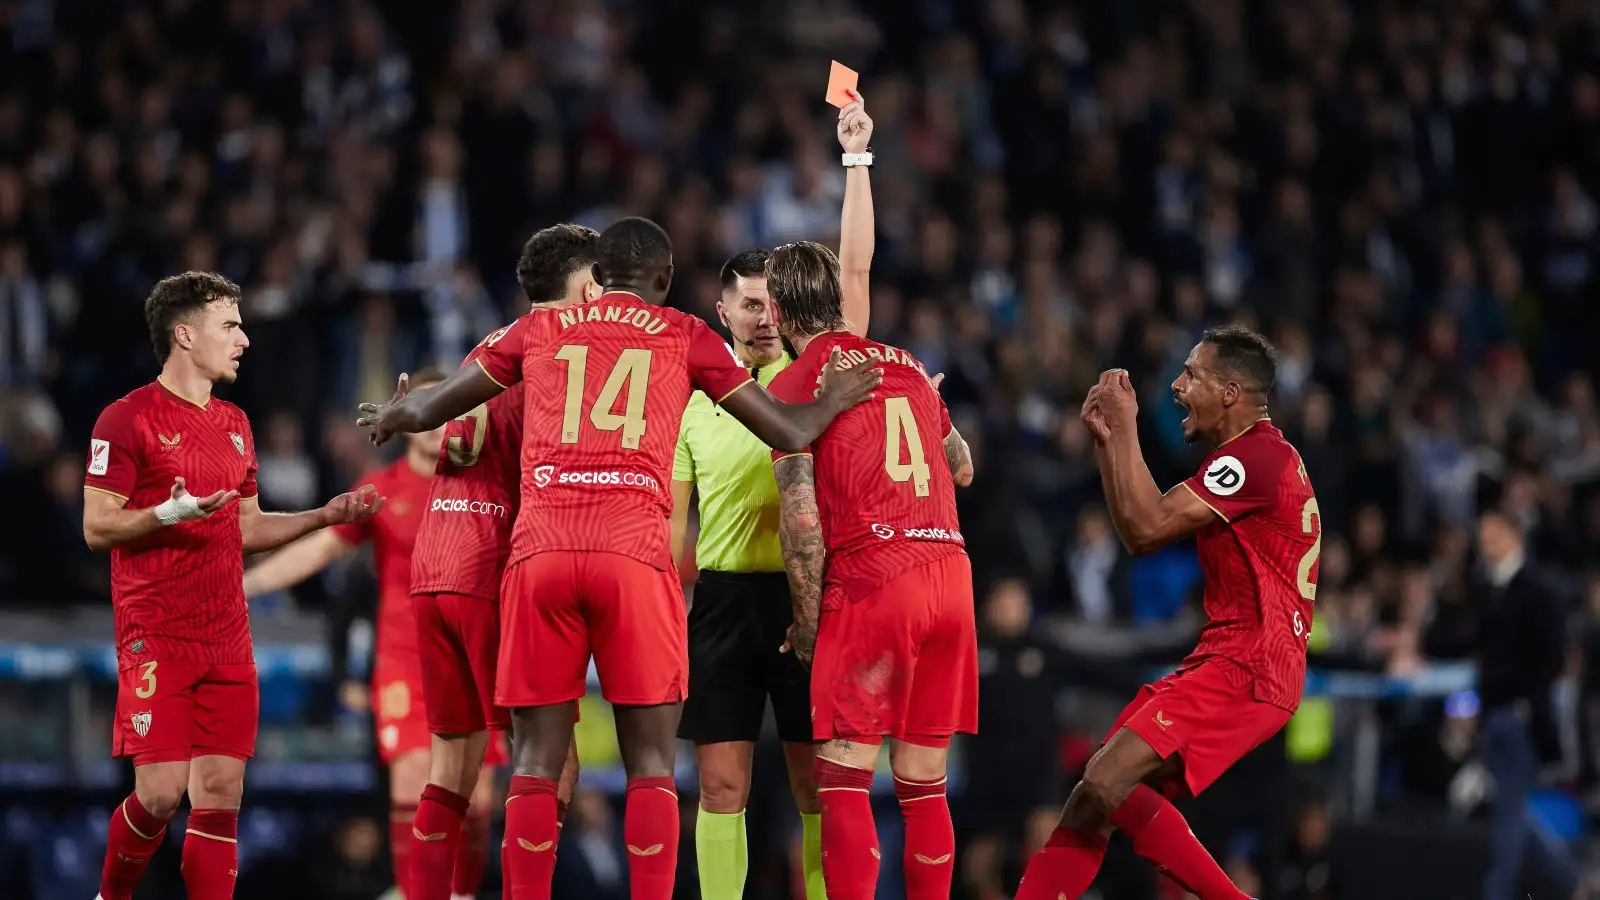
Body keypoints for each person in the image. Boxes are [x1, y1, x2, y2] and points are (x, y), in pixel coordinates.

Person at [355, 216, 884, 900]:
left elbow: (436, 407)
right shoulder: (685, 334)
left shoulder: (536, 330)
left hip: (541, 556)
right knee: (651, 765)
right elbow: (786, 429)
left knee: (537, 761)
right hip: (632, 558)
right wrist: (834, 397)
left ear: (597, 280)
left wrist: (397, 415)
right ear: (664, 281)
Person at [86, 271, 384, 900]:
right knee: (161, 793)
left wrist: (323, 516)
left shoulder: (236, 424)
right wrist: (167, 514)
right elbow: (96, 526)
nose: (245, 339)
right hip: (157, 636)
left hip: (228, 639)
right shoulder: (124, 419)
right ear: (185, 335)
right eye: (231, 326)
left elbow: (246, 526)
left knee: (219, 796)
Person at [1016, 325, 1319, 900]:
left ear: (1230, 392)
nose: (1176, 386)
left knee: (1107, 780)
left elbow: (1148, 526)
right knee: (1092, 798)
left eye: (1191, 375)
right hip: (1231, 660)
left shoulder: (1254, 459)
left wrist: (1126, 428)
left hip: (1248, 665)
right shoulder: (1259, 457)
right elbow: (1137, 532)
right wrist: (1111, 442)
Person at [668, 91, 875, 900]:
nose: (764, 315)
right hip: (722, 601)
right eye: (749, 303)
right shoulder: (688, 399)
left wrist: (856, 159)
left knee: (814, 788)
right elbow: (670, 526)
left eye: (774, 303)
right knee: (722, 788)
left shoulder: (819, 371)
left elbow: (854, 269)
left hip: (814, 598)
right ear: (719, 309)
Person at [241, 368, 509, 899]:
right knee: (413, 788)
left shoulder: (489, 484)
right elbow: (320, 549)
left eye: (449, 412)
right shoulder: (382, 492)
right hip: (406, 662)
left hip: (478, 659)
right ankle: (415, 893)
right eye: (430, 411)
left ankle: (460, 892)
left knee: (476, 800)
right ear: (410, 418)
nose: (438, 425)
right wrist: (243, 586)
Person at [762, 239, 977, 900]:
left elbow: (800, 524)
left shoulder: (795, 386)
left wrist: (805, 624)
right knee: (923, 782)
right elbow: (963, 466)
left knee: (845, 775)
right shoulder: (907, 365)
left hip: (874, 578)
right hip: (950, 573)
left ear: (776, 309)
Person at [405, 223, 600, 900]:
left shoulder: (488, 346)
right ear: (585, 286)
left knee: (452, 766)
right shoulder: (557, 352)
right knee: (554, 761)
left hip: (434, 566)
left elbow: (450, 438)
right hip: (491, 567)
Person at [1472, 508, 1581, 900]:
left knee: (1508, 816)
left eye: (1492, 533)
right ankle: (1573, 881)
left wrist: (1526, 702)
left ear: (1514, 536)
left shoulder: (1537, 589)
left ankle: (1497, 894)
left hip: (1519, 716)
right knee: (1511, 811)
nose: (1485, 543)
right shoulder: (1487, 588)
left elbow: (1551, 656)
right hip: (1494, 711)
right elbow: (1476, 646)